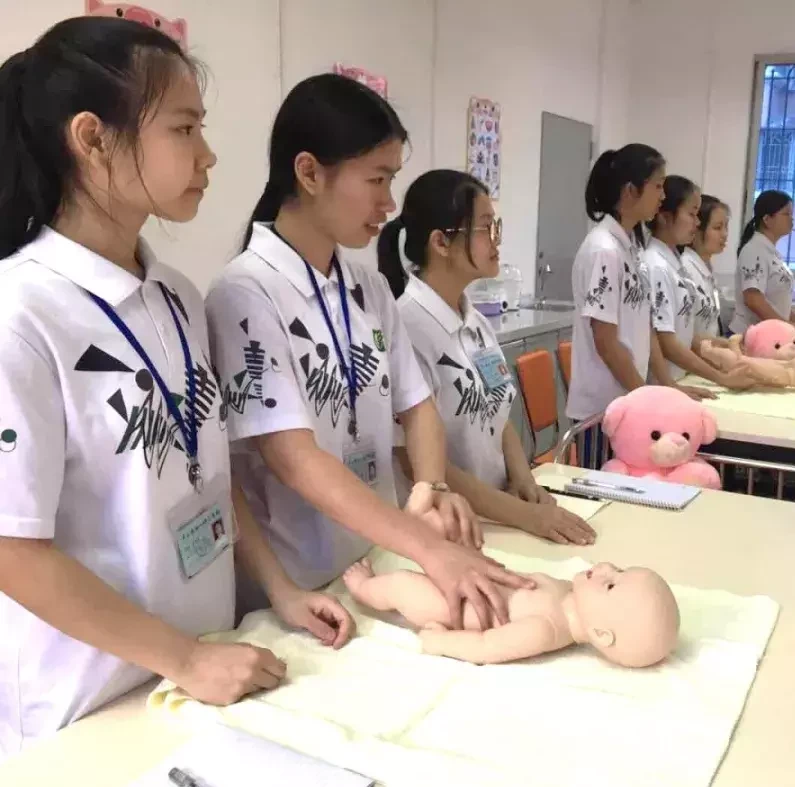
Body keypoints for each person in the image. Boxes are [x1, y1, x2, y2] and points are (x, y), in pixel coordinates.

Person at [0, 17, 354, 756]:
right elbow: (12, 550)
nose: (208, 153)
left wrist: (279, 590)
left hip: (201, 665)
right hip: (92, 702)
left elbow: (206, 468)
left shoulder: (176, 297)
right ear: (92, 138)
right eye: (184, 129)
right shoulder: (22, 313)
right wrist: (184, 659)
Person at [206, 75, 530, 632]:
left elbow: (418, 406)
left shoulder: (370, 289)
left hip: (379, 559)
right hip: (301, 584)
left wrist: (433, 487)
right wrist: (428, 547)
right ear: (309, 173)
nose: (388, 203)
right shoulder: (245, 293)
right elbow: (291, 457)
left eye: (392, 179)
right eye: (377, 180)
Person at [377, 170, 595, 547]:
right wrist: (526, 516)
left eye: (497, 227)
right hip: (448, 527)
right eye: (484, 228)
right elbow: (420, 463)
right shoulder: (409, 327)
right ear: (441, 243)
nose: (496, 241)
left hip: (498, 513)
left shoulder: (474, 320)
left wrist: (524, 480)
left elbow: (500, 408)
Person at [565, 144, 710, 465]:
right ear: (631, 191)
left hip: (628, 397)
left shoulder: (630, 247)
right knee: (604, 494)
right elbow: (605, 340)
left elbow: (646, 330)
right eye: (657, 186)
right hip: (602, 409)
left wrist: (664, 389)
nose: (662, 195)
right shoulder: (604, 249)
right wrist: (646, 397)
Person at [343, 557, 679, 668]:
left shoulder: (546, 629)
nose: (604, 567)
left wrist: (441, 642)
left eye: (610, 585)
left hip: (450, 605)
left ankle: (363, 589)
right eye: (617, 569)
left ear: (600, 634)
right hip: (470, 574)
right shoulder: (569, 593)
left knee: (401, 586)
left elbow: (487, 646)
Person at [646, 176, 753, 389]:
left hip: (682, 376)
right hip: (666, 383)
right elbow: (665, 342)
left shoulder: (674, 264)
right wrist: (720, 377)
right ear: (665, 217)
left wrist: (719, 346)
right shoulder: (656, 265)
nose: (696, 223)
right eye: (692, 214)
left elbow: (683, 336)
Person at [731, 191, 795, 339]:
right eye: (786, 214)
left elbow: (777, 303)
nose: (792, 219)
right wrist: (788, 327)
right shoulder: (754, 250)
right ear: (767, 219)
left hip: (771, 335)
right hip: (752, 337)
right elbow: (754, 300)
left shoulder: (770, 252)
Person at [682, 194, 729, 339]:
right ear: (696, 229)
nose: (725, 234)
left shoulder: (706, 268)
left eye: (726, 227)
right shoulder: (686, 268)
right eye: (717, 228)